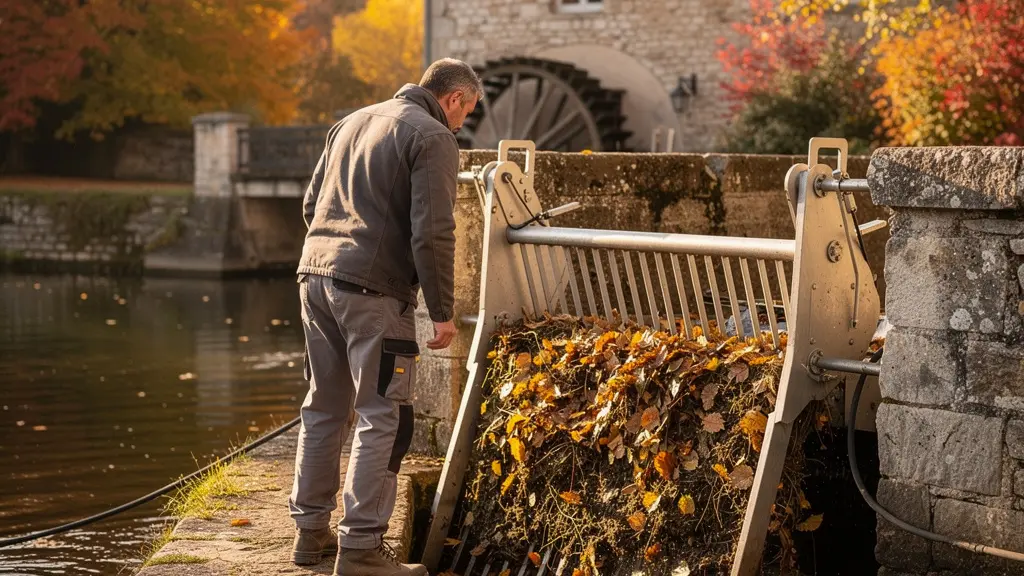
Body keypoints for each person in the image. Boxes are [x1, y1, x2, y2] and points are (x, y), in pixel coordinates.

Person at [288, 58, 482, 576]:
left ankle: (310, 536)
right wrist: (442, 312)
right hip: (374, 292)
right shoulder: (434, 138)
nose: (463, 123)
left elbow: (312, 207)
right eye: (468, 111)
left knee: (324, 406)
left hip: (315, 277)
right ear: (455, 98)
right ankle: (361, 551)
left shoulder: (350, 121)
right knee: (383, 415)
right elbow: (433, 232)